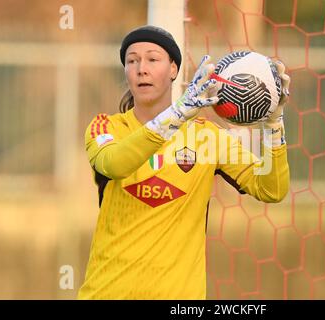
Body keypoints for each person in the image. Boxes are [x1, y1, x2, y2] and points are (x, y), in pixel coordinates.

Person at [78, 25, 290, 299]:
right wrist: (177, 114)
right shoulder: (105, 126)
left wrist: (274, 124)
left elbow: (272, 189)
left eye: (153, 59)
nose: (141, 68)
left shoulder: (207, 137)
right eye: (132, 61)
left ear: (173, 70)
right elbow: (115, 164)